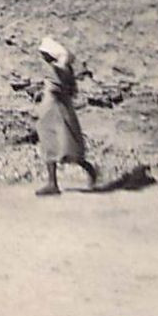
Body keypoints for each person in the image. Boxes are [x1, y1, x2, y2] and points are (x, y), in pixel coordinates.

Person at [35, 37, 98, 196]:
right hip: (55, 110)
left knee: (61, 145)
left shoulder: (57, 69)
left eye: (44, 54)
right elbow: (70, 90)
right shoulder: (63, 69)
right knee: (56, 145)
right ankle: (53, 183)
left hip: (55, 110)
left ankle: (56, 182)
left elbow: (58, 88)